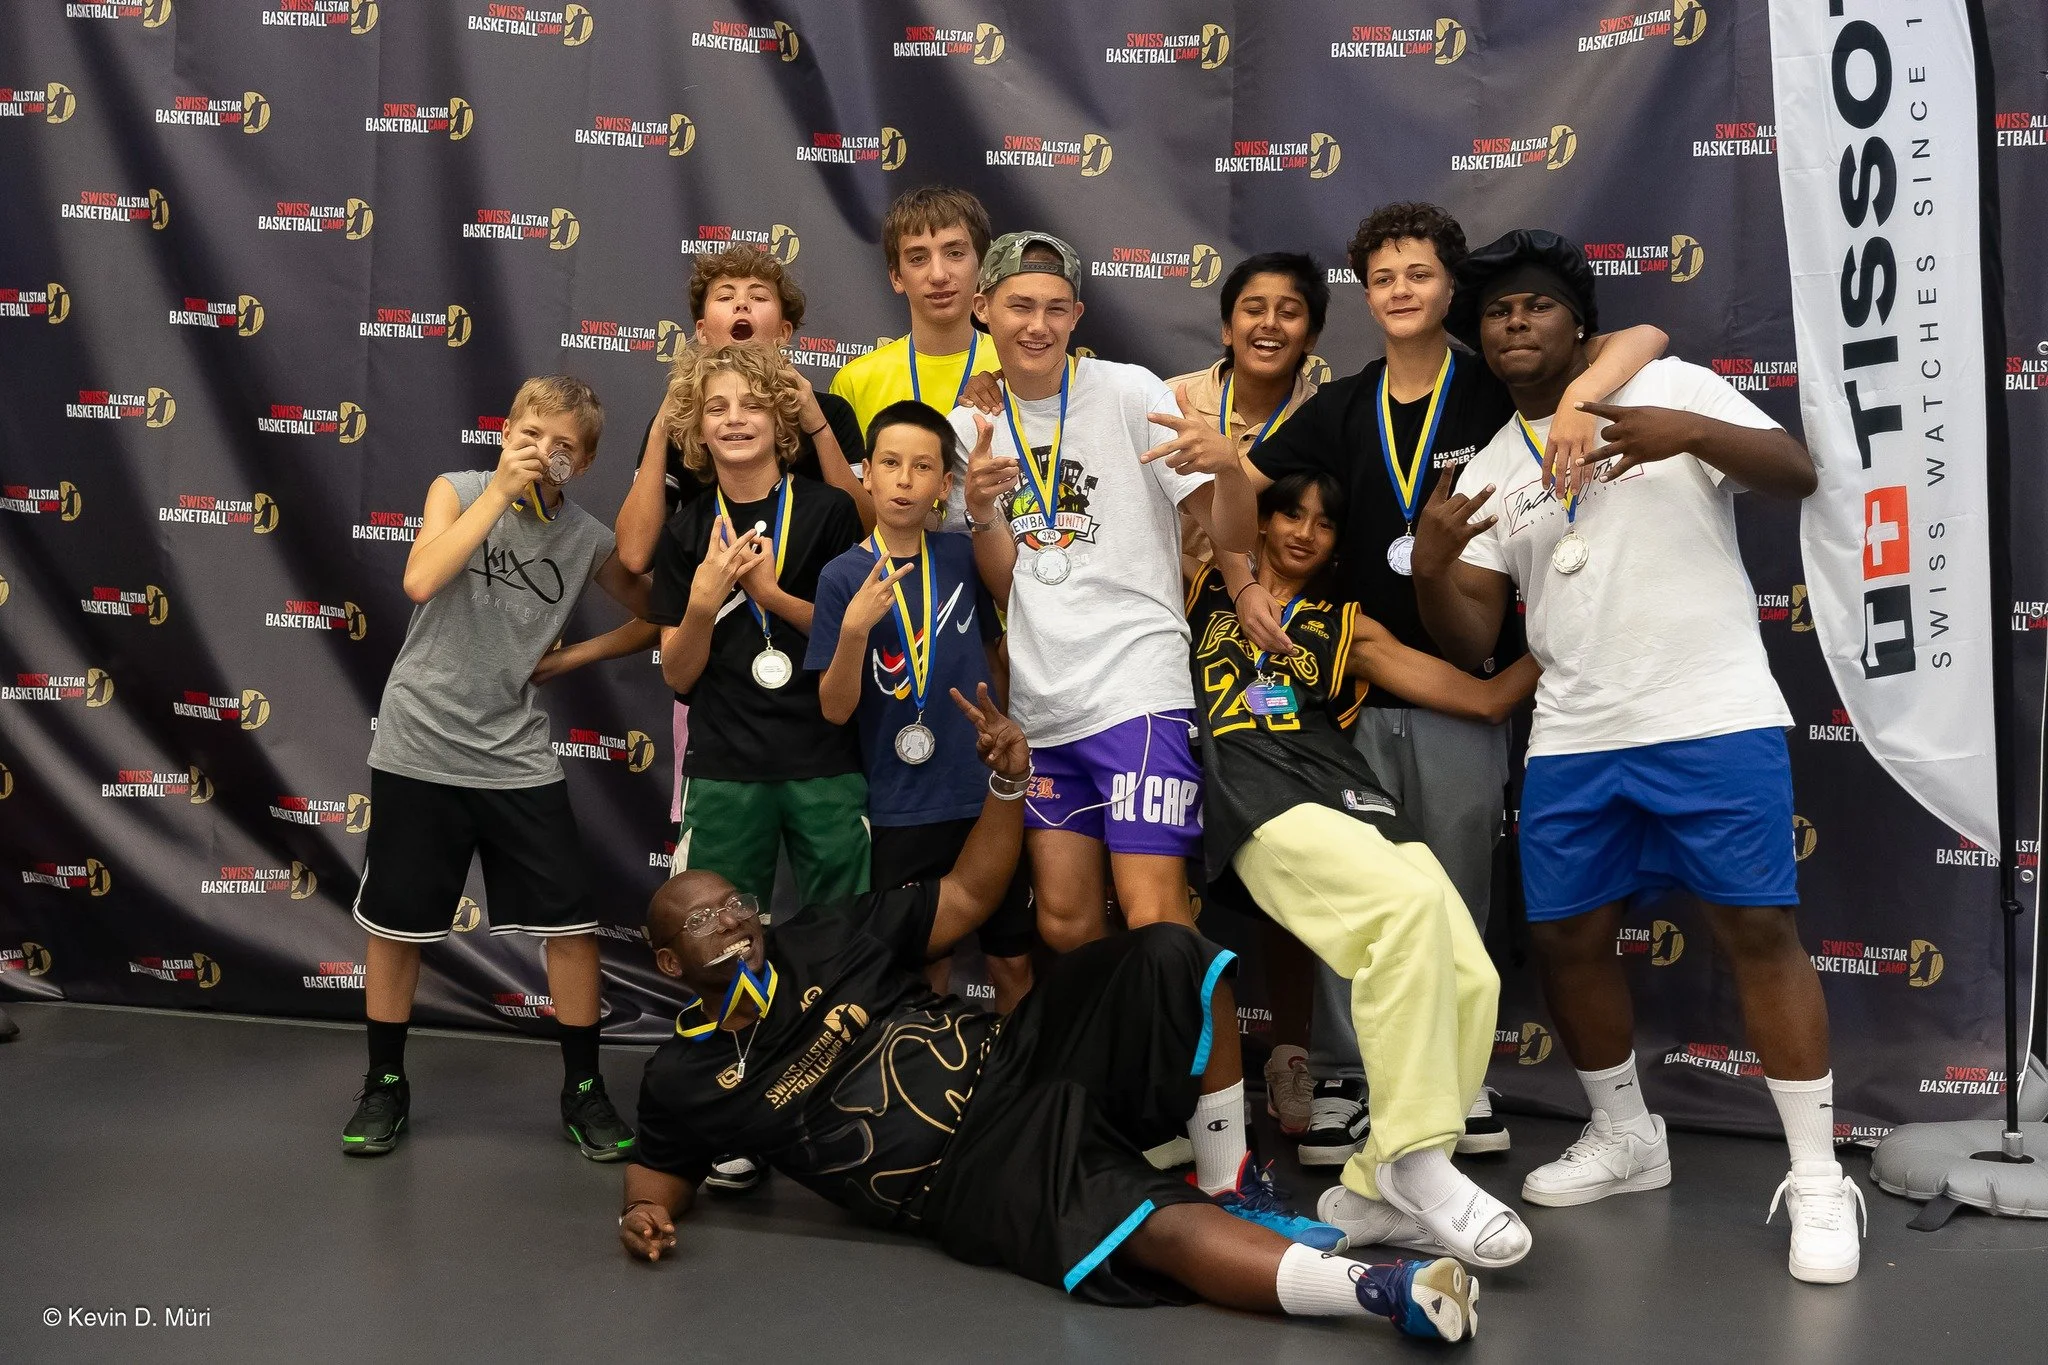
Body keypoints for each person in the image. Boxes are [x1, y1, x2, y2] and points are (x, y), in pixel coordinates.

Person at [617, 684, 1481, 1342]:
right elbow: (659, 1171)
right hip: (970, 1171)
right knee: (1148, 1224)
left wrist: (1007, 784)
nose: (732, 920)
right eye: (704, 919)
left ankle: (1229, 1179)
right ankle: (1386, 1292)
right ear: (668, 962)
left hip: (1021, 1052)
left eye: (736, 903)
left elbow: (967, 894)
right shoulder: (684, 1076)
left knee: (1169, 950)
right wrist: (643, 1213)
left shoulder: (818, 936)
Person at [1413, 229, 1859, 1285]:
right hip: (1574, 733)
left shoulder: (1666, 385)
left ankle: (1816, 1176)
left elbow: (1797, 473)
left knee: (1758, 929)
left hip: (1708, 711)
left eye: (1534, 306)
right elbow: (1470, 640)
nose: (1514, 325)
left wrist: (1685, 432)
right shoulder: (1491, 466)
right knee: (1566, 940)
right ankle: (1625, 1136)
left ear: (1579, 323)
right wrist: (1432, 565)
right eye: (1496, 314)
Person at [1229, 203, 1671, 1169]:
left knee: (1459, 889)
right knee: (1355, 893)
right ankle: (1346, 1076)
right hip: (1350, 697)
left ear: (1449, 287)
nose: (1400, 292)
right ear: (1364, 291)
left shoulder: (1493, 386)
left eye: (1419, 275)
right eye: (1382, 278)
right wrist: (1241, 576)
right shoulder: (1341, 404)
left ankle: (1461, 1074)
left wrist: (1584, 394)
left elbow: (1644, 336)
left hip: (1465, 685)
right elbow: (1238, 492)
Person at [1185, 469, 1540, 1268]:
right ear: (1262, 522)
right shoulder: (1206, 586)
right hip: (1259, 793)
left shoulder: (1345, 625)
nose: (1303, 532)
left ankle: (1377, 1189)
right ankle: (1414, 1162)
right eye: (1289, 513)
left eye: (1324, 522)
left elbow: (1484, 701)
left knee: (1469, 970)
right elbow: (1214, 518)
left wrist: (1560, 641)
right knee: (1402, 916)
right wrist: (1228, 469)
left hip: (1348, 793)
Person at [343, 375, 649, 1161]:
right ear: (505, 431)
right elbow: (420, 578)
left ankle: (584, 1088)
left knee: (571, 926)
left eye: (563, 446)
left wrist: (572, 656)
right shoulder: (458, 488)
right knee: (396, 926)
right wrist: (502, 492)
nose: (543, 453)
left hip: (514, 752)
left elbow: (661, 612)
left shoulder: (584, 535)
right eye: (531, 435)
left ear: (583, 462)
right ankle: (384, 1082)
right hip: (419, 742)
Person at [955, 230, 1277, 954]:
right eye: (1019, 306)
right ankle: (1108, 1038)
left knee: (1154, 912)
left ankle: (1198, 1039)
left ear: (1077, 315)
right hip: (1042, 701)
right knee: (1063, 923)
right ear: (983, 309)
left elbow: (1231, 532)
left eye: (1055, 308)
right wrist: (980, 513)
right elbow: (1009, 584)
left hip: (1137, 686)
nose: (1037, 325)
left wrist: (1230, 470)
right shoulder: (970, 427)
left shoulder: (1132, 391)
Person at [1164, 251, 1330, 1137]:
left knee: (1288, 855)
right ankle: (1179, 1065)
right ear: (1226, 325)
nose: (1270, 324)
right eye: (1253, 309)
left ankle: (1291, 1054)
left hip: (1282, 651)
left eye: (1290, 310)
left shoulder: (1331, 408)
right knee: (1170, 868)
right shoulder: (1173, 399)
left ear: (1313, 331)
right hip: (1170, 646)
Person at [807, 401, 1036, 1012]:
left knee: (1013, 959)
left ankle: (1019, 1071)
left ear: (944, 484)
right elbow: (834, 710)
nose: (904, 480)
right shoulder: (840, 577)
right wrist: (854, 631)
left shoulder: (962, 557)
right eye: (890, 463)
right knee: (922, 963)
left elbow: (993, 656)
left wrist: (1005, 724)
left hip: (980, 792)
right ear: (866, 473)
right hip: (900, 805)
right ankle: (922, 1067)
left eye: (922, 466)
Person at [828, 186, 1003, 443]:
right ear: (896, 277)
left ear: (982, 266)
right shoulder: (855, 382)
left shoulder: (1013, 369)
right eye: (918, 258)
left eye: (955, 253)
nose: (938, 275)